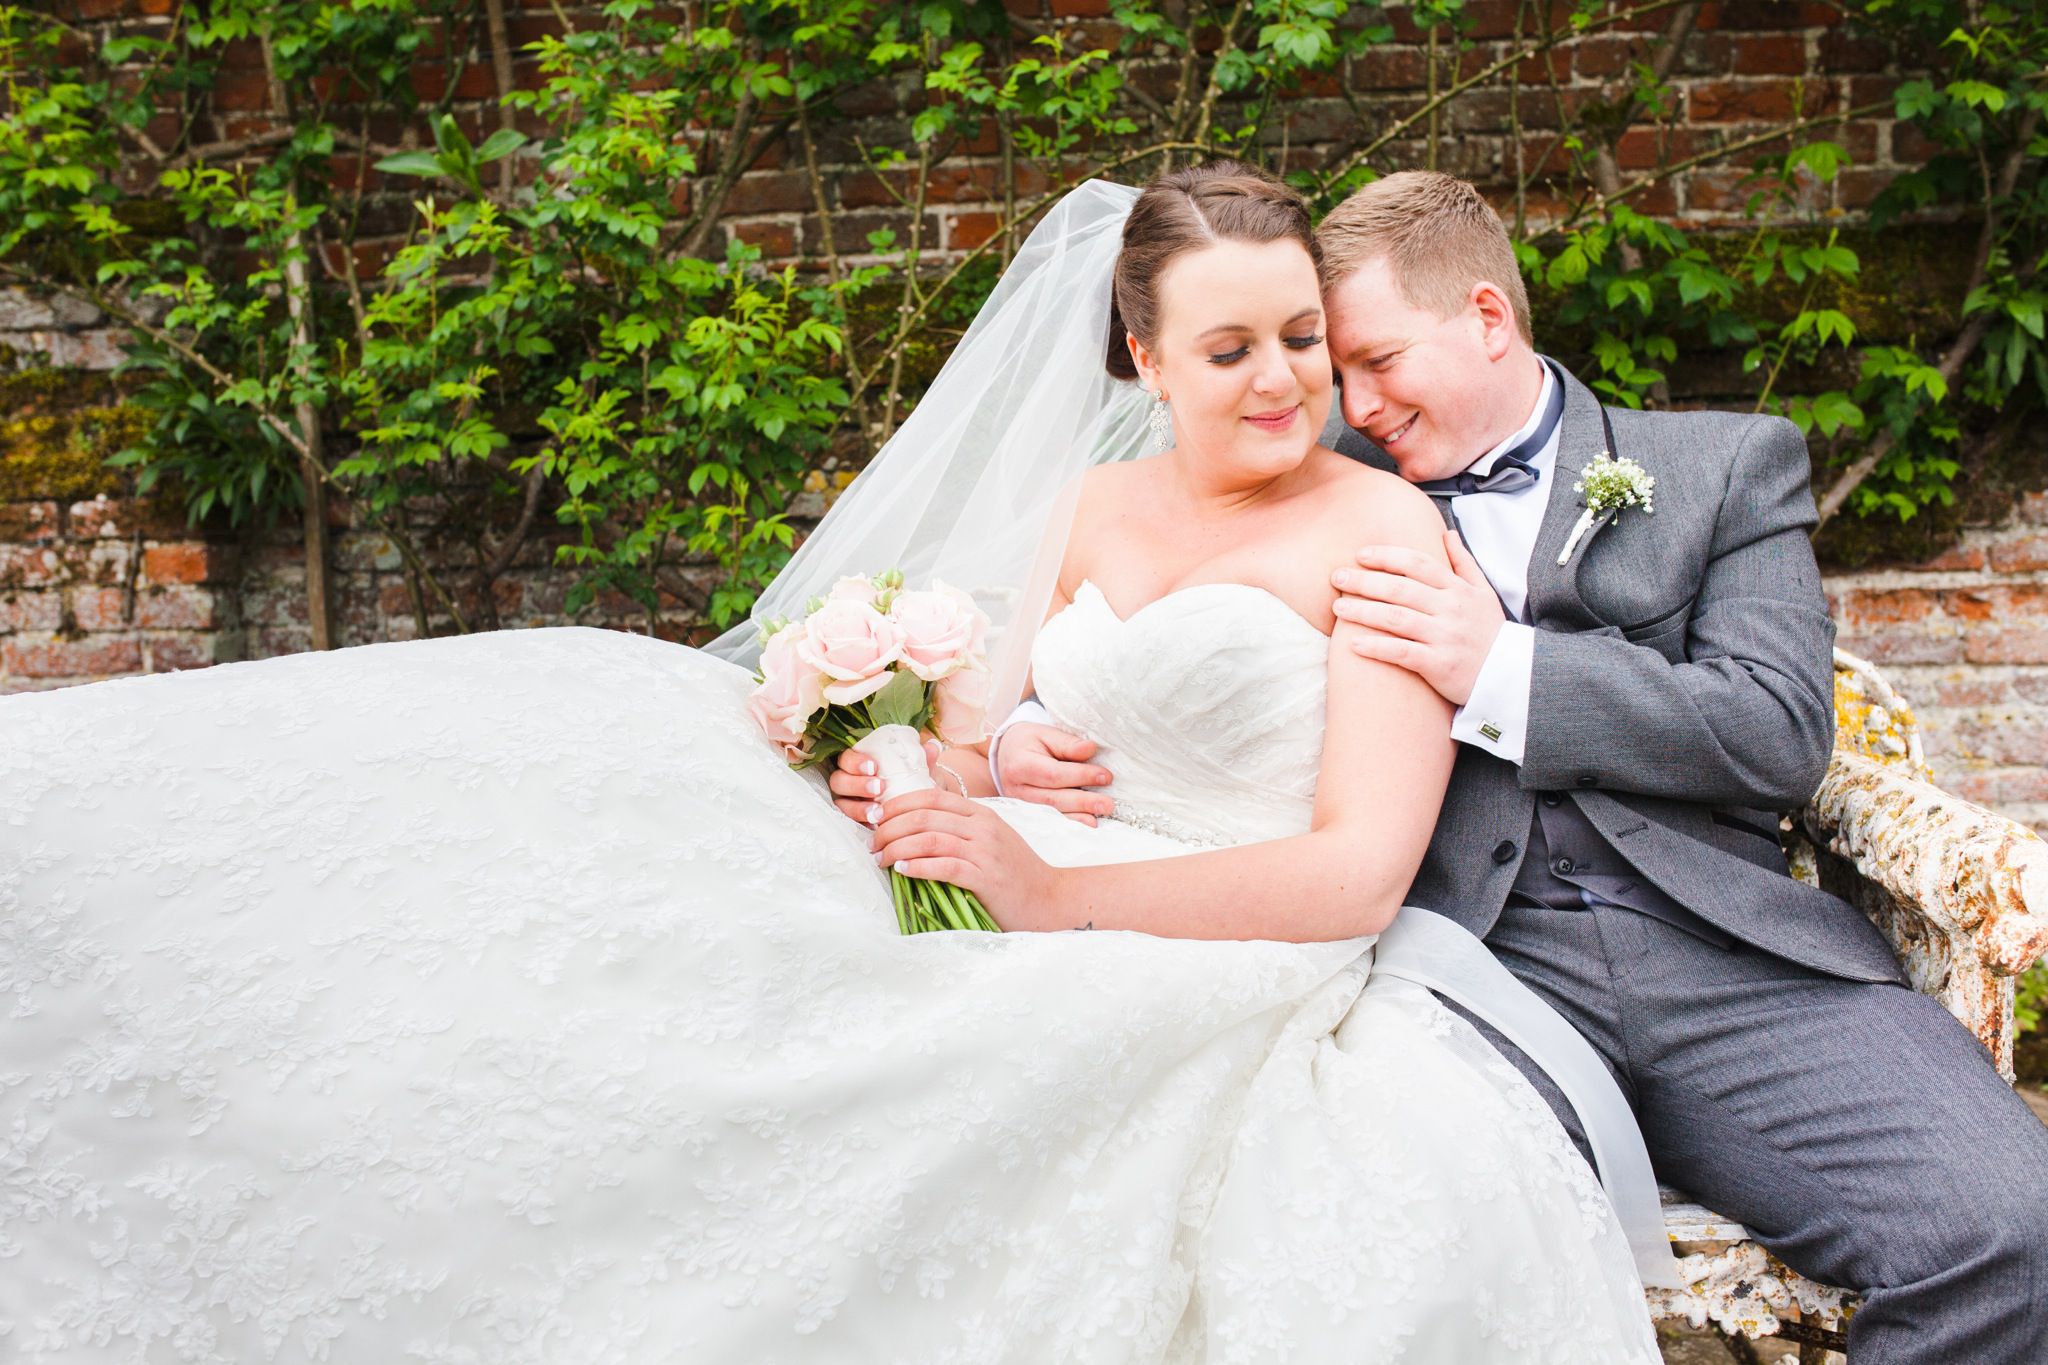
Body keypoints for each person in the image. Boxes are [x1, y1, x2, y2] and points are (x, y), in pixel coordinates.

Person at [0, 166, 1665, 1362]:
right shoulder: (1090, 507)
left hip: (1231, 954)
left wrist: (1037, 893)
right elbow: (973, 718)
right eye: (1227, 350)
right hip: (1031, 867)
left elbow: (1357, 872)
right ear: (1142, 364)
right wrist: (939, 755)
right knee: (628, 925)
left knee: (860, 1089)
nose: (1287, 382)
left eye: (1301, 337)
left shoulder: (1377, 531)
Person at [964, 169, 2048, 1364]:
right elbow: (1136, 613)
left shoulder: (1720, 468)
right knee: (1360, 1271)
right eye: (1340, 360)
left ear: (1486, 318)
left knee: (2011, 1229)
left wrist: (1503, 670)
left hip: (1726, 961)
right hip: (1442, 969)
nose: (1348, 401)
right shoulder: (1296, 464)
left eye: (1371, 359)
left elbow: (1776, 732)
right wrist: (1018, 734)